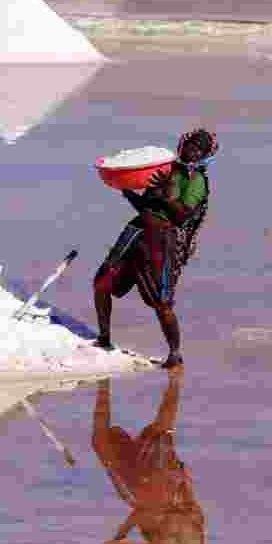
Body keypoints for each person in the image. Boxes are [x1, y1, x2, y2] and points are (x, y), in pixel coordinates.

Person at [93, 129, 218, 369]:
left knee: (162, 300)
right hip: (137, 230)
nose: (191, 151)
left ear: (204, 156)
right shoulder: (166, 171)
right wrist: (126, 190)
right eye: (189, 145)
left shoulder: (196, 181)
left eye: (197, 149)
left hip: (163, 240)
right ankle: (104, 338)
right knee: (102, 282)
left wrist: (167, 196)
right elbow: (145, 206)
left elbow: (182, 214)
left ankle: (174, 353)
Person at [89, 373, 213, 544]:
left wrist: (122, 542)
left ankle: (103, 383)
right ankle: (175, 379)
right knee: (161, 432)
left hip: (146, 491)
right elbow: (157, 514)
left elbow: (145, 514)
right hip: (162, 486)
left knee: (102, 443)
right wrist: (120, 538)